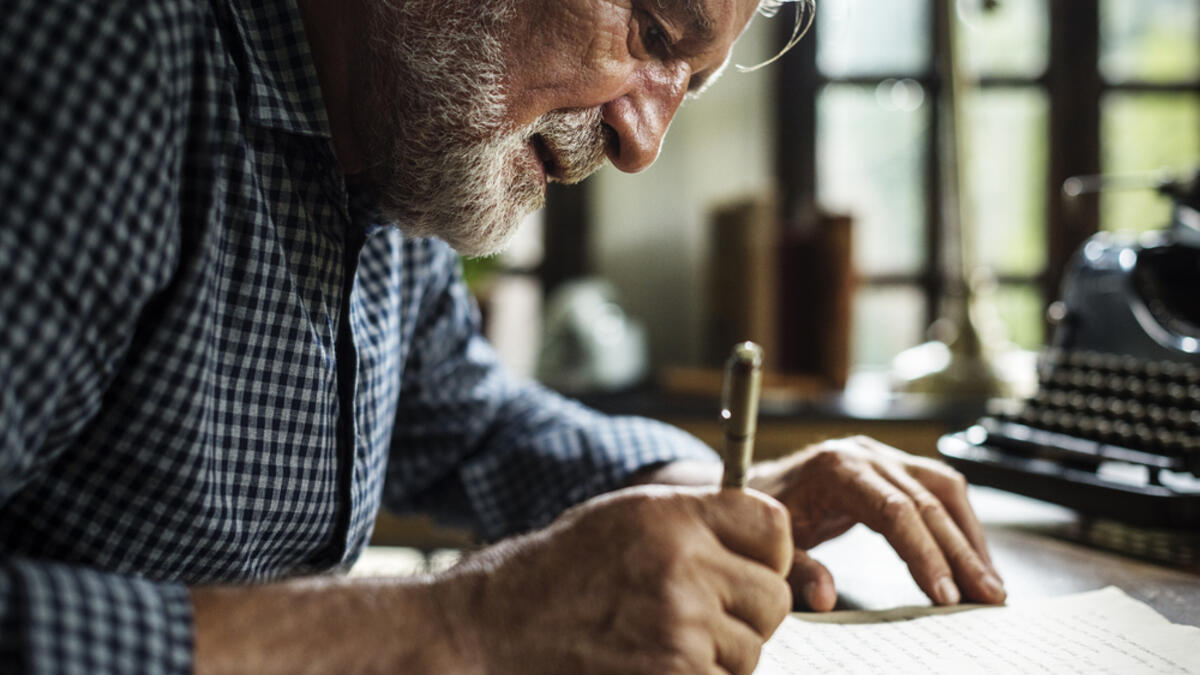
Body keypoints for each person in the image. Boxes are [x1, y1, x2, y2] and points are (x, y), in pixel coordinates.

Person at [0, 0, 1006, 672]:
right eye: (653, 31)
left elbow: (471, 425)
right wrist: (461, 629)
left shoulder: (399, 149)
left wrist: (723, 493)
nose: (643, 143)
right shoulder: (105, 56)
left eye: (685, 87)